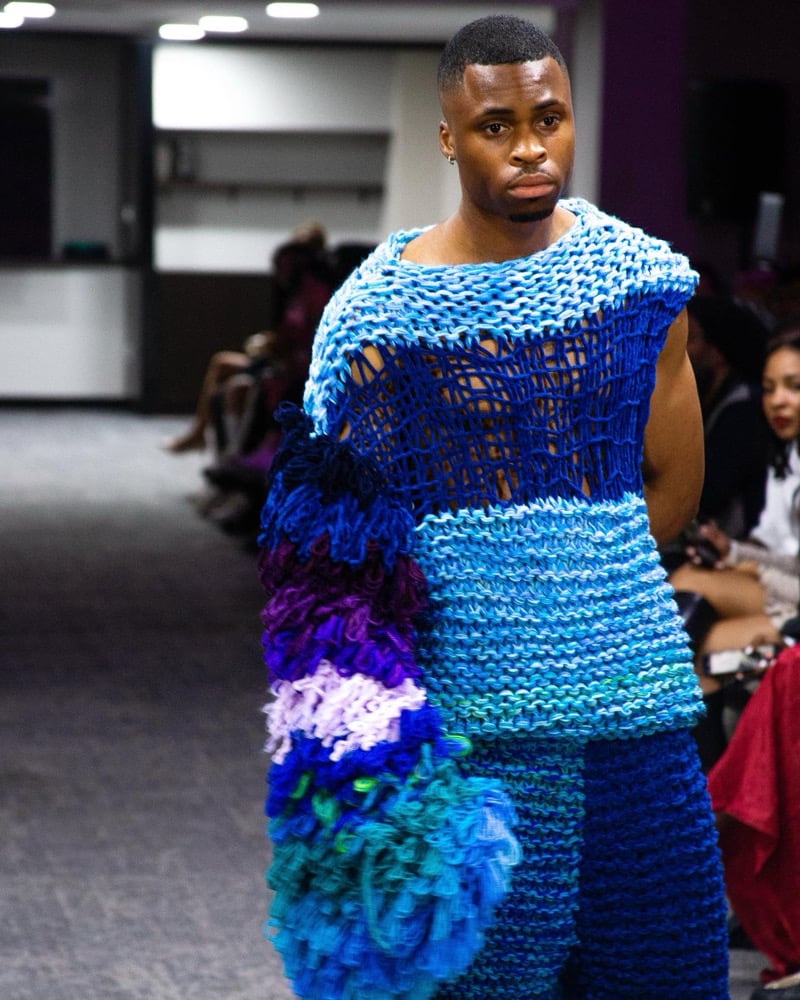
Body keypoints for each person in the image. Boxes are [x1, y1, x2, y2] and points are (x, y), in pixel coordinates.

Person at [256, 15, 728, 999]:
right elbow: (328, 566)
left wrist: (571, 587)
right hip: (468, 723)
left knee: (669, 973)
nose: (528, 148)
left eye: (548, 119)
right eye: (495, 126)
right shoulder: (375, 320)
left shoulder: (641, 285)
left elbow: (674, 485)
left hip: (633, 707)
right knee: (487, 983)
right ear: (448, 136)